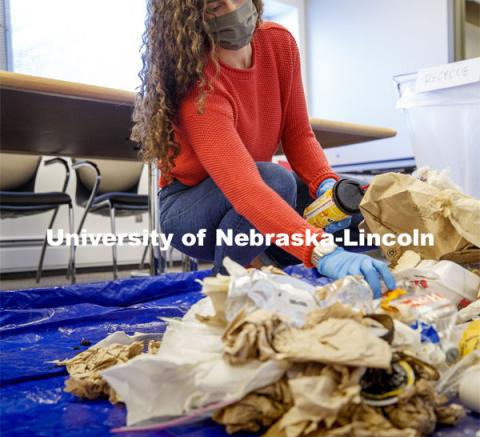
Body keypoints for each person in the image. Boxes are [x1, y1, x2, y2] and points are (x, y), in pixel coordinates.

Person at [131, 0, 395, 298]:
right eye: (217, 6)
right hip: (190, 211)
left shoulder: (278, 43)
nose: (234, 9)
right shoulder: (198, 85)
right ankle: (223, 293)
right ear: (192, 17)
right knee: (275, 180)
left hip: (257, 192)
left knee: (359, 202)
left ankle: (271, 258)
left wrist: (327, 184)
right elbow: (247, 190)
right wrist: (320, 250)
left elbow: (298, 135)